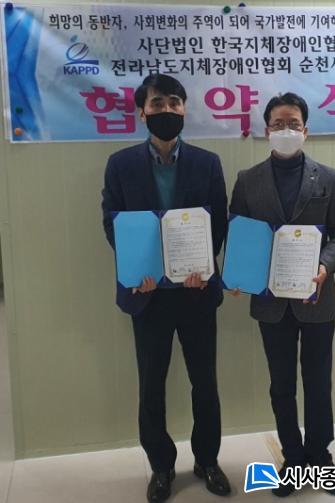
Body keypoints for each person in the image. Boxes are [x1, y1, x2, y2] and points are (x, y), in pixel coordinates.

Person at [101, 74, 231, 502]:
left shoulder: (208, 163)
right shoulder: (120, 165)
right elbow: (112, 224)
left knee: (205, 384)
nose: (167, 110)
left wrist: (200, 265)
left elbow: (217, 223)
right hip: (148, 296)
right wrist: (136, 268)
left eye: (175, 102)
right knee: (151, 386)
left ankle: (207, 460)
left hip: (196, 293)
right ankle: (161, 466)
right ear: (142, 112)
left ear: (184, 109)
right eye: (157, 104)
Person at [229, 92, 335, 497]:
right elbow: (239, 234)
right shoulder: (247, 180)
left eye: (294, 124)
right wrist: (238, 274)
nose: (286, 130)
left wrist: (325, 266)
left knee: (318, 382)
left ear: (306, 130)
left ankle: (320, 456)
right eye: (278, 124)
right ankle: (294, 459)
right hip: (270, 303)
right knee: (281, 384)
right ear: (266, 130)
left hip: (316, 298)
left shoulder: (329, 178)